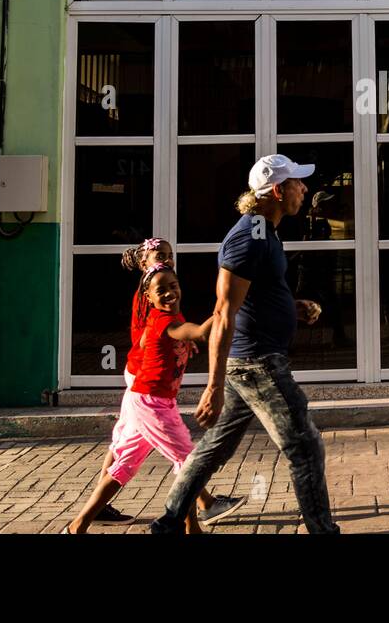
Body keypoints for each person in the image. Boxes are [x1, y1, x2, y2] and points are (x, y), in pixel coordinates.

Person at [150, 154, 338, 535]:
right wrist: (213, 387)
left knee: (215, 447)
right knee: (304, 446)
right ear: (277, 190)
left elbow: (255, 295)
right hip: (257, 364)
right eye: (298, 183)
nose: (305, 189)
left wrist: (292, 307)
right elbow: (223, 313)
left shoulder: (264, 232)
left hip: (253, 360)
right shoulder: (249, 237)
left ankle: (168, 523)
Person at [88, 238, 243, 528]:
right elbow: (154, 335)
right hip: (143, 378)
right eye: (160, 255)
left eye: (170, 255)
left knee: (125, 444)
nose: (168, 259)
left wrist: (178, 344)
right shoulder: (152, 292)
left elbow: (170, 332)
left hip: (140, 376)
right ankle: (203, 506)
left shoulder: (162, 286)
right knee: (180, 454)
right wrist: (183, 337)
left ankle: (96, 508)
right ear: (144, 262)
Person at [66, 263, 214, 534]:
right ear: (149, 297)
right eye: (161, 290)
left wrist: (177, 343)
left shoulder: (168, 318)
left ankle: (78, 525)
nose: (170, 293)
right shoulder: (164, 320)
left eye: (174, 286)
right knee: (190, 463)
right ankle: (191, 526)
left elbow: (147, 342)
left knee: (125, 465)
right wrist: (229, 306)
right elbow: (202, 332)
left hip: (144, 401)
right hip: (152, 404)